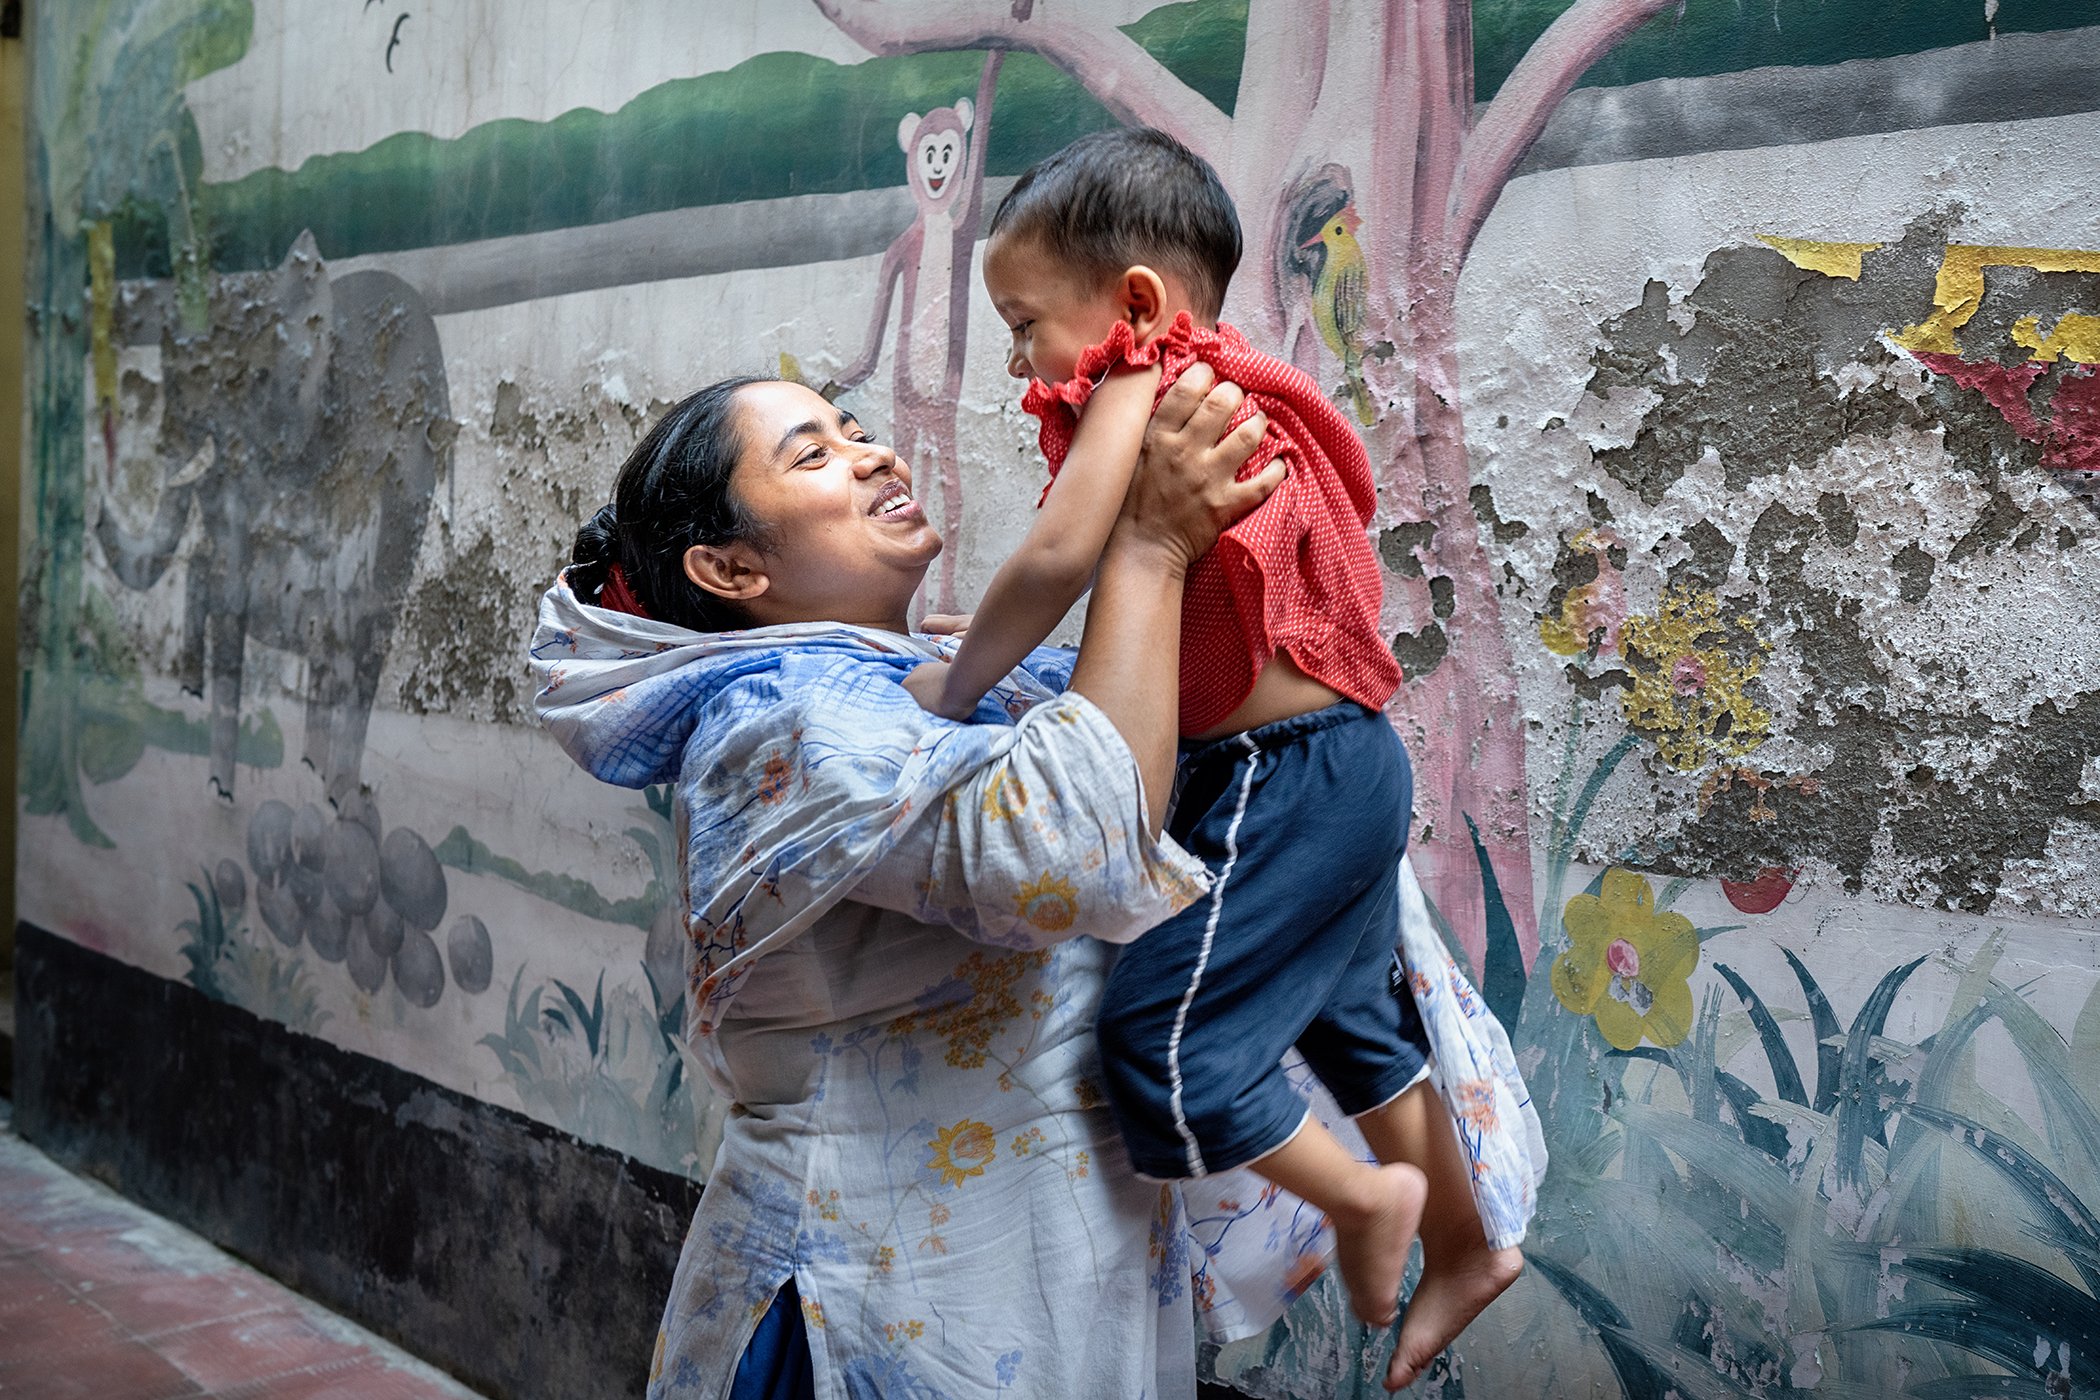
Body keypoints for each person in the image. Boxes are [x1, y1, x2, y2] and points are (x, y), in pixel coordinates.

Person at [534, 367, 1334, 1398]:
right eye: (813, 454)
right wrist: (1147, 543)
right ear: (730, 569)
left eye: (855, 429)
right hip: (877, 1291)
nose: (873, 453)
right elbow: (1071, 847)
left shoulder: (925, 673)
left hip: (1039, 1260)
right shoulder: (780, 719)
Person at [899, 126, 1526, 1388]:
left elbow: (1063, 557)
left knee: (1162, 1049)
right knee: (1359, 1033)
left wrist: (953, 685)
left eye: (1025, 325)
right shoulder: (1242, 385)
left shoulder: (1142, 384)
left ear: (1134, 303)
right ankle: (1464, 1239)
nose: (1019, 361)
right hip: (1344, 763)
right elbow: (1172, 598)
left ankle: (1362, 1199)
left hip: (1271, 779)